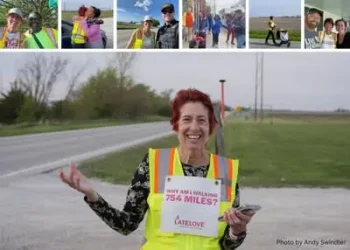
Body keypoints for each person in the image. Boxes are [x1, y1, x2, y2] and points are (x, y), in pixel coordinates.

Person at [59, 88, 256, 250]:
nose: (194, 127)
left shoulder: (226, 170)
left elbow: (226, 245)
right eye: (187, 119)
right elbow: (127, 225)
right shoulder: (154, 163)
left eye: (201, 120)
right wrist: (93, 196)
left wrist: (236, 231)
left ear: (210, 127)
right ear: (176, 126)